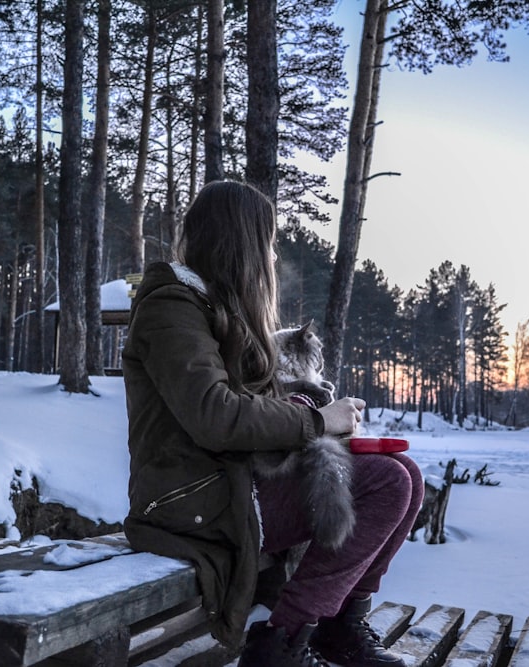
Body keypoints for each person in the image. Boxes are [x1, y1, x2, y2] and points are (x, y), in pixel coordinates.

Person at [121, 180, 423, 667]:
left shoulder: (214, 308)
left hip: (229, 481)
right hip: (191, 501)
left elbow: (242, 401)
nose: (272, 252)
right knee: (387, 483)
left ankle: (340, 623)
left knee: (406, 473)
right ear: (240, 241)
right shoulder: (171, 307)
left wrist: (307, 402)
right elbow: (215, 416)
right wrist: (315, 419)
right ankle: (280, 645)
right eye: (268, 240)